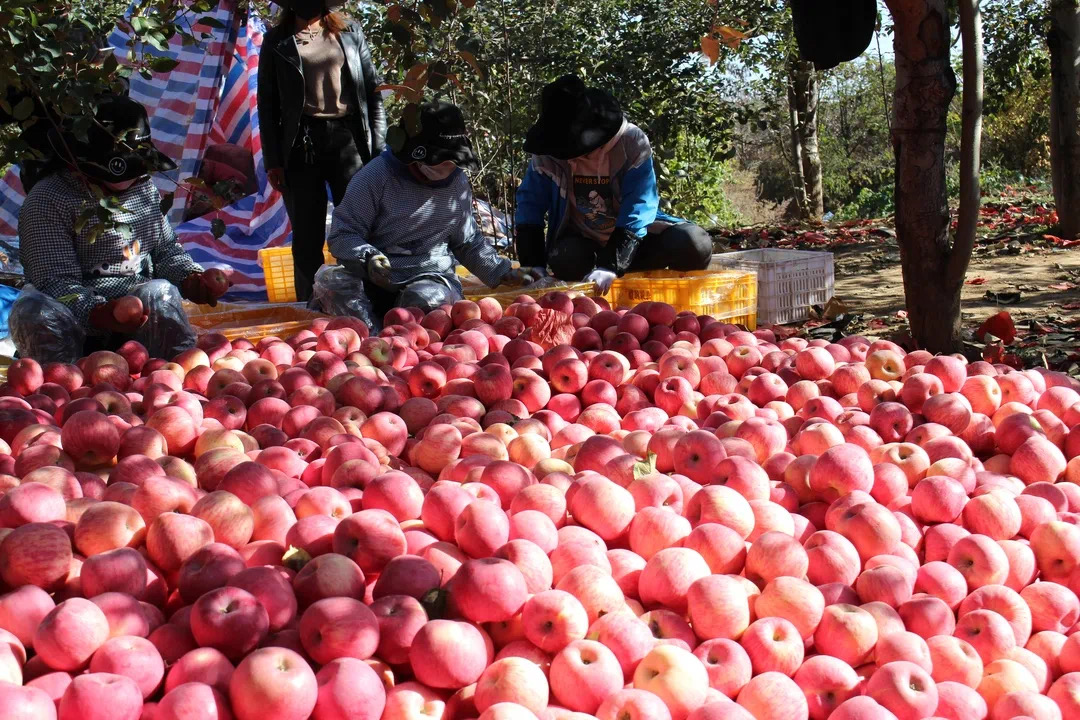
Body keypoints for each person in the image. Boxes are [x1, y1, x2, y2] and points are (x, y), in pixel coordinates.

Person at [10, 97, 228, 363]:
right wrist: (101, 312)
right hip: (75, 327)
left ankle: (176, 374)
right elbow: (55, 281)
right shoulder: (49, 199)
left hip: (138, 324)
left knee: (160, 292)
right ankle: (57, 386)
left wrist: (191, 279)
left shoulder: (144, 189)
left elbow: (165, 250)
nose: (128, 180)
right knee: (34, 311)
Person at [322, 101, 533, 323]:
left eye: (452, 162)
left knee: (423, 304)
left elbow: (466, 242)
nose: (446, 168)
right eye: (439, 161)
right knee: (334, 294)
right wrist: (368, 257)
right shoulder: (375, 178)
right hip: (375, 278)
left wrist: (502, 271)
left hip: (430, 278)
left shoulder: (457, 183)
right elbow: (342, 234)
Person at [514, 74, 713, 293]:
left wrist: (612, 264)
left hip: (637, 244)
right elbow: (529, 205)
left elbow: (640, 204)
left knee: (694, 243)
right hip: (583, 244)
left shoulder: (631, 143)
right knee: (566, 258)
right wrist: (533, 264)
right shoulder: (547, 154)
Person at [257, 0, 386, 301]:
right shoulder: (277, 40)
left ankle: (365, 302)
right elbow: (267, 104)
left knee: (357, 228)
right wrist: (273, 160)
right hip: (301, 144)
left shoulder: (350, 31)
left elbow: (373, 92)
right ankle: (311, 308)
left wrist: (379, 152)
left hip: (348, 140)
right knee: (306, 236)